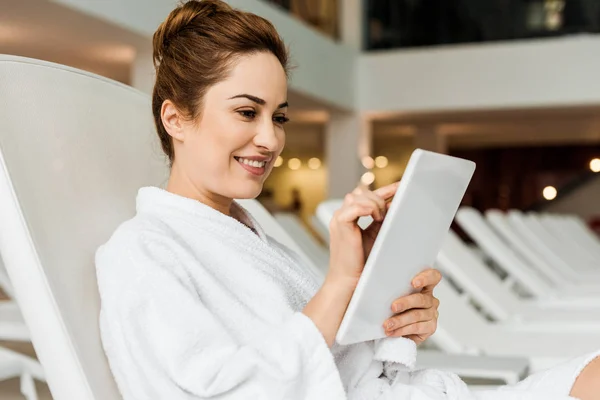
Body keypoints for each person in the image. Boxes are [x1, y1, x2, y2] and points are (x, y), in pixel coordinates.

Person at [95, 1, 600, 399]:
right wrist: (338, 284)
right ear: (175, 118)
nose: (270, 139)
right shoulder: (140, 254)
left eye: (279, 116)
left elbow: (337, 364)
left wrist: (389, 316)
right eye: (247, 112)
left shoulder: (254, 231)